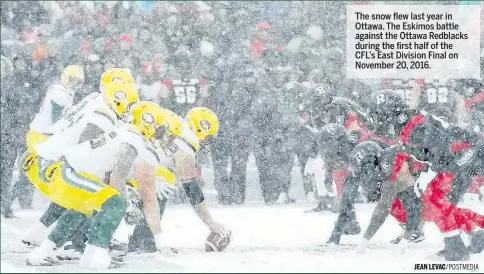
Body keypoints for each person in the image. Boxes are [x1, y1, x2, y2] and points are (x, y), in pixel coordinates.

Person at [25, 101, 181, 269]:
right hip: (66, 170)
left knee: (86, 208)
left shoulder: (129, 134)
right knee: (116, 202)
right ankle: (97, 254)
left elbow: (112, 175)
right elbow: (117, 178)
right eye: (161, 129)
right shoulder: (134, 137)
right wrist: (128, 205)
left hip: (67, 169)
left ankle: (44, 253)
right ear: (147, 122)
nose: (162, 136)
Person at [21, 69, 139, 247]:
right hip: (53, 159)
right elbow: (86, 147)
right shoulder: (105, 112)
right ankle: (77, 244)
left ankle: (38, 233)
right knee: (91, 193)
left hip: (43, 152)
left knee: (77, 191)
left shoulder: (94, 98)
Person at [355, 143, 484, 260]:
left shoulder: (390, 164)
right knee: (432, 211)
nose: (367, 175)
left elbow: (387, 207)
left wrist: (404, 239)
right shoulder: (390, 162)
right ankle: (473, 232)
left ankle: (456, 247)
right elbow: (403, 207)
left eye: (366, 170)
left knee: (435, 205)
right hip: (443, 170)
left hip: (445, 170)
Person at [7, 65, 85, 211]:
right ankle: (9, 202)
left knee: (32, 170)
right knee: (30, 169)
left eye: (78, 82)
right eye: (73, 80)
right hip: (39, 135)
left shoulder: (64, 92)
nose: (75, 84)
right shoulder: (60, 93)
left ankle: (21, 201)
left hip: (43, 134)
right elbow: (57, 120)